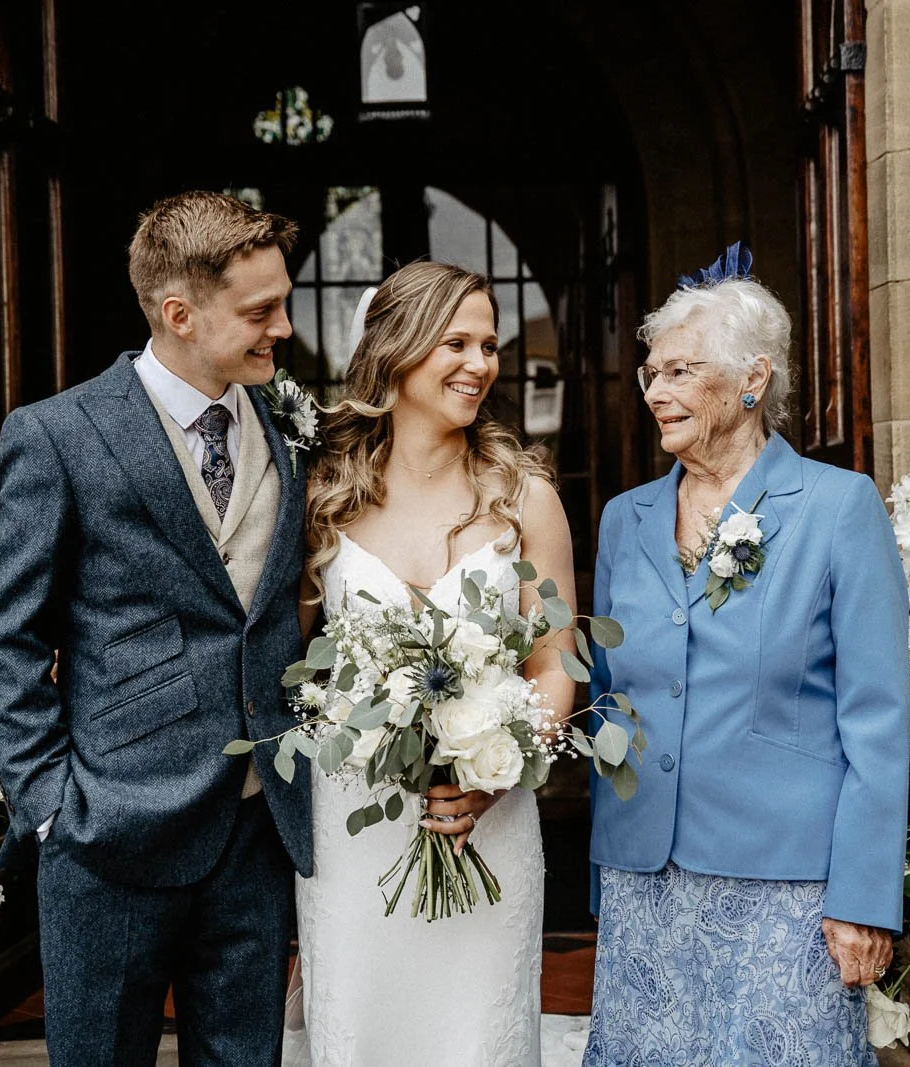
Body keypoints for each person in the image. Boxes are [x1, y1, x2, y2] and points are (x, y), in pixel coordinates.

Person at [0, 191, 313, 1066]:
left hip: (256, 825)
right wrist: (49, 806)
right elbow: (9, 636)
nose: (285, 324)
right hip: (109, 827)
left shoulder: (284, 428)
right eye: (261, 310)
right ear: (179, 314)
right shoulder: (56, 435)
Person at [583, 252, 910, 1065]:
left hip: (791, 888)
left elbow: (876, 717)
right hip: (644, 877)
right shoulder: (626, 519)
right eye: (650, 372)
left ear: (753, 378)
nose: (655, 390)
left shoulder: (839, 508)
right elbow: (608, 699)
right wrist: (604, 867)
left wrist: (865, 896)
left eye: (681, 371)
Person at [293, 261, 576, 1066]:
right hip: (356, 829)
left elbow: (555, 662)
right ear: (397, 349)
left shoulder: (525, 497)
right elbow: (290, 664)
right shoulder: (325, 495)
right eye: (457, 341)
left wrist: (502, 767)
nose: (481, 363)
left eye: (489, 344)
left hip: (487, 822)